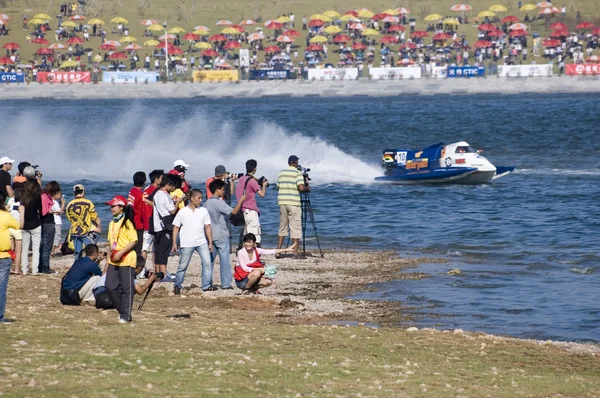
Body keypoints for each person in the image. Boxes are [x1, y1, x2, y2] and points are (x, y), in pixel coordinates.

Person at [204, 179, 246, 291]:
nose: (223, 192)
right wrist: (241, 200)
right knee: (224, 260)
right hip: (221, 234)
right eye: (222, 190)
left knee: (209, 261)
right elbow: (233, 212)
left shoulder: (206, 203)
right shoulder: (219, 203)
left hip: (210, 235)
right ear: (217, 190)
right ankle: (226, 284)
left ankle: (207, 283)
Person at [171, 189, 213, 294]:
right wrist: (174, 243)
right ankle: (177, 285)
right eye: (199, 198)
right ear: (192, 198)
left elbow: (207, 227)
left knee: (207, 262)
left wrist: (210, 242)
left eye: (201, 197)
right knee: (183, 265)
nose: (201, 200)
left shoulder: (203, 211)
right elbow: (176, 227)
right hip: (187, 242)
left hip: (201, 241)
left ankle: (206, 285)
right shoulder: (182, 212)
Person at [105, 196, 138, 323]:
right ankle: (123, 311)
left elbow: (133, 240)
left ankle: (125, 315)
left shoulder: (127, 222)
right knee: (110, 286)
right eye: (111, 206)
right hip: (114, 259)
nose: (111, 208)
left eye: (113, 206)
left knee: (126, 288)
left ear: (121, 207)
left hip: (127, 258)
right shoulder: (112, 223)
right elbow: (111, 243)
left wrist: (122, 252)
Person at [276, 155, 309, 258]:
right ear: (295, 162)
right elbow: (301, 187)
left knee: (282, 227)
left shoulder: (281, 173)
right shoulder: (297, 173)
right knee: (295, 228)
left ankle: (278, 251)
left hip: (282, 202)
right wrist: (307, 187)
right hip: (294, 203)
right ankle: (295, 252)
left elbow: (278, 186)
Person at [153, 173, 182, 277]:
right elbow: (172, 211)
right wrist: (178, 202)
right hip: (165, 227)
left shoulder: (157, 193)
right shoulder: (164, 195)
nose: (173, 189)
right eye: (173, 186)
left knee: (159, 251)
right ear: (169, 184)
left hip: (158, 226)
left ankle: (159, 274)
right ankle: (164, 274)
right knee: (164, 252)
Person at [235, 159, 269, 246]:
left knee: (246, 234)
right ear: (255, 169)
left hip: (243, 210)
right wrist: (264, 186)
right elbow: (262, 194)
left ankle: (245, 253)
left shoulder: (242, 179)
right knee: (254, 235)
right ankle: (254, 255)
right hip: (251, 210)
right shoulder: (252, 181)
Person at [66, 184, 101, 259]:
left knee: (77, 252)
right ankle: (90, 265)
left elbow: (69, 217)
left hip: (74, 232)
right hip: (85, 232)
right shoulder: (88, 203)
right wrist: (98, 226)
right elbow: (94, 216)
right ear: (83, 192)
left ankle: (77, 266)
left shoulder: (69, 204)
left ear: (74, 193)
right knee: (92, 250)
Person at [0, 191, 19, 324]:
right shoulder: (6, 216)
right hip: (3, 255)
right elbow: (19, 225)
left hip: (4, 255)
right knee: (1, 287)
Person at [19, 175, 42, 275]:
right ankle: (35, 270)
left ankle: (24, 270)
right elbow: (40, 209)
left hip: (24, 224)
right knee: (36, 248)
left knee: (24, 248)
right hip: (35, 224)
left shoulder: (22, 197)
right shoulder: (37, 197)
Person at [39, 181, 62, 274]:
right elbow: (45, 211)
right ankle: (45, 268)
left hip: (43, 223)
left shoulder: (43, 195)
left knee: (43, 246)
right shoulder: (45, 197)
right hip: (47, 223)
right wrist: (54, 212)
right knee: (46, 247)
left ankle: (42, 266)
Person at [141, 169, 163, 263]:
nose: (163, 179)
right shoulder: (157, 191)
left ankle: (141, 271)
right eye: (162, 178)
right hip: (153, 223)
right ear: (156, 179)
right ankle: (155, 271)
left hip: (145, 222)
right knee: (155, 248)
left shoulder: (146, 189)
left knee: (145, 247)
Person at [128, 171, 146, 257]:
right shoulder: (140, 195)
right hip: (138, 223)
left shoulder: (132, 191)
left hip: (130, 221)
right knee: (138, 248)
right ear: (144, 182)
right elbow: (143, 210)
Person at [51, 191, 65, 256]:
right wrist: (63, 204)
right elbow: (59, 211)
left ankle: (52, 251)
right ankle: (52, 251)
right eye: (60, 194)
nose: (61, 196)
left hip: (53, 221)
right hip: (57, 221)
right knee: (57, 237)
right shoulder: (54, 202)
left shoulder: (52, 202)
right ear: (55, 195)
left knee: (54, 236)